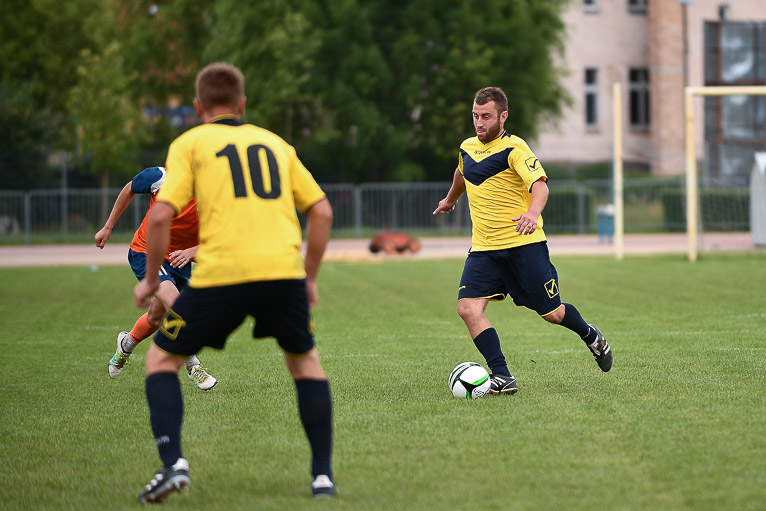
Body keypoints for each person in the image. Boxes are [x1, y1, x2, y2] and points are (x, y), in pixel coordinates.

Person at [133, 62, 336, 503]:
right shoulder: (277, 144)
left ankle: (173, 464)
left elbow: (161, 216)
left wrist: (150, 280)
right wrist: (311, 279)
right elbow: (321, 212)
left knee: (162, 362)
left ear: (197, 107)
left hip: (218, 278)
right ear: (242, 104)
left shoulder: (190, 143)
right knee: (306, 366)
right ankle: (322, 476)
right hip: (282, 275)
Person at [433, 86, 612, 395]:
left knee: (553, 313)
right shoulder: (467, 147)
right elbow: (462, 171)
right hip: (484, 249)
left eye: (486, 116)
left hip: (523, 246)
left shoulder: (515, 148)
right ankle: (502, 375)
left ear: (503, 116)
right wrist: (451, 199)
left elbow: (540, 186)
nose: (479, 123)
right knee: (468, 309)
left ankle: (590, 335)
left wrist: (532, 212)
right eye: (475, 116)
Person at [95, 167, 217, 391]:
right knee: (177, 306)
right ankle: (193, 366)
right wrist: (108, 227)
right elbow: (130, 188)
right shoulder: (160, 177)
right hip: (147, 251)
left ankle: (126, 344)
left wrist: (192, 251)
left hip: (179, 260)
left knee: (154, 318)